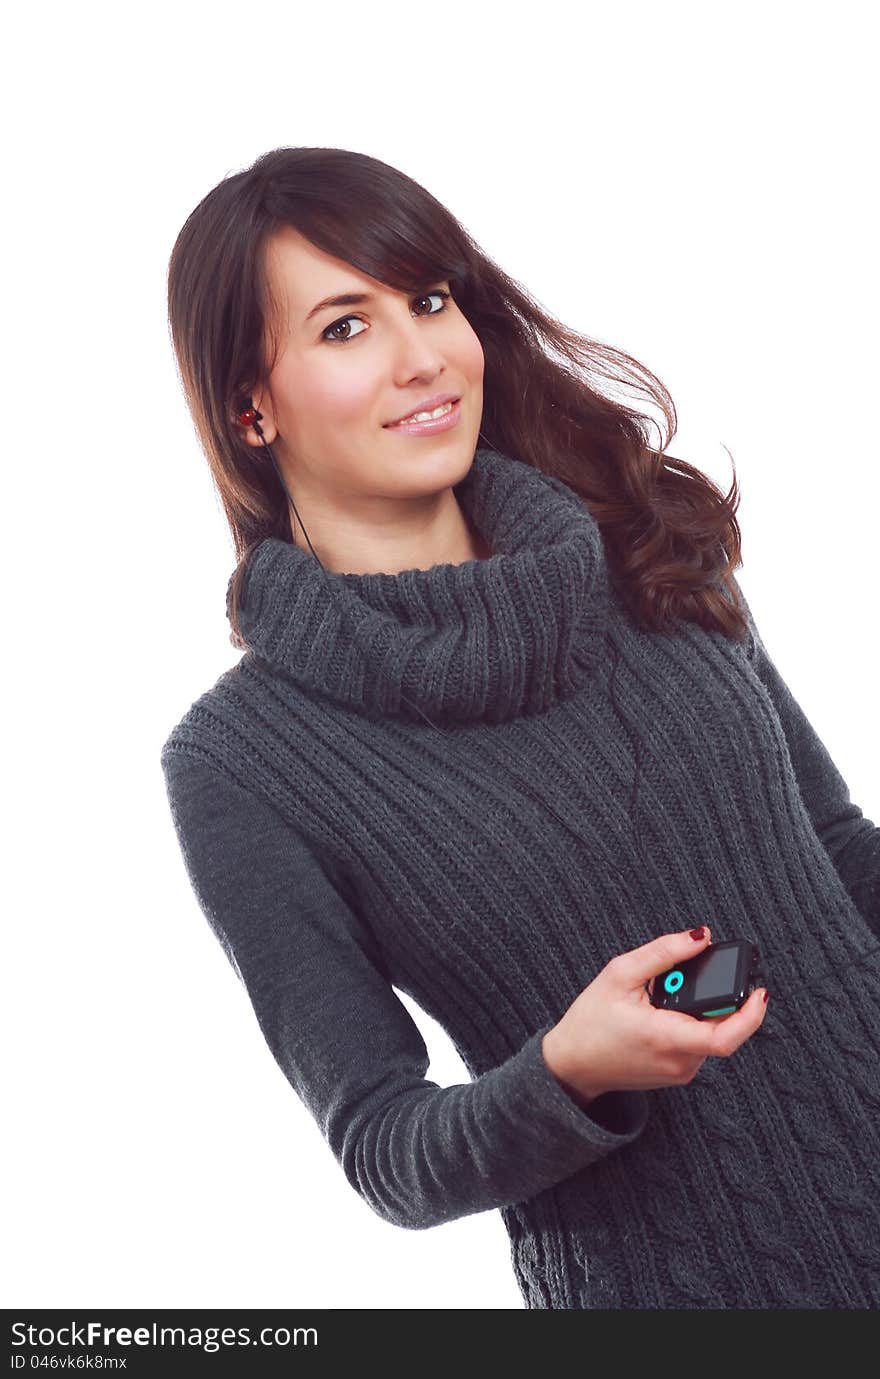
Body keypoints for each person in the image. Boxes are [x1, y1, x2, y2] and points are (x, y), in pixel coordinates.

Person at [160, 146, 880, 1309]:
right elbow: (388, 1144)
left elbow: (838, 857)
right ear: (250, 405)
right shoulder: (243, 761)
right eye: (347, 328)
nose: (423, 356)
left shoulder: (642, 543)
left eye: (430, 300)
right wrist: (563, 1070)